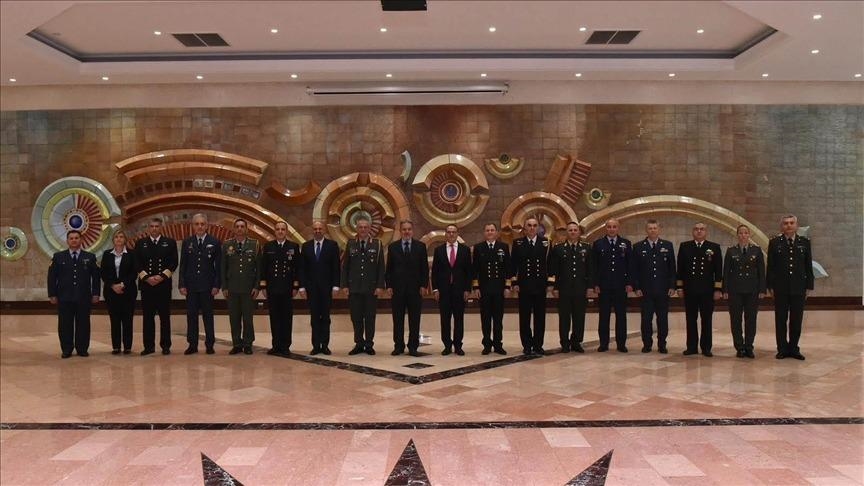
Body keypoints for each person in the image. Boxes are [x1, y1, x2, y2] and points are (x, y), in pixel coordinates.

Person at [766, 214, 813, 360]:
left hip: (799, 287)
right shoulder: (774, 242)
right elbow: (771, 266)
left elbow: (808, 265)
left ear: (796, 226)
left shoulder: (804, 242)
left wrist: (809, 286)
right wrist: (770, 286)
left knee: (796, 320)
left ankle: (794, 348)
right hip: (780, 288)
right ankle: (782, 349)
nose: (789, 225)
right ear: (782, 226)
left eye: (792, 223)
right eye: (786, 223)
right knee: (780, 319)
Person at [48, 230, 100, 358]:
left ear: (81, 240)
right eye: (71, 238)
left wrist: (96, 293)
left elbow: (96, 277)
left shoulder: (90, 257)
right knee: (65, 324)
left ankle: (82, 348)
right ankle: (67, 349)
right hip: (64, 297)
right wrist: (52, 294)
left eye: (76, 238)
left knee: (83, 324)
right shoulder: (58, 257)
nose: (74, 240)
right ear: (67, 241)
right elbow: (51, 277)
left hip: (84, 297)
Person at [676, 222, 723, 357]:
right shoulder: (685, 246)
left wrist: (717, 289)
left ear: (706, 232)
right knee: (690, 319)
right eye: (696, 229)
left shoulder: (714, 247)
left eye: (702, 229)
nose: (699, 231)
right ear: (693, 232)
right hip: (690, 289)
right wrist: (679, 287)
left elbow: (718, 270)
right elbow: (680, 269)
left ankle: (706, 347)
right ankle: (691, 347)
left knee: (706, 319)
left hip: (707, 290)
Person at [630, 219, 676, 354]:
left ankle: (662, 344)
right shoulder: (638, 247)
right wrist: (637, 287)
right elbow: (634, 270)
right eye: (650, 228)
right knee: (646, 320)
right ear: (646, 230)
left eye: (655, 228)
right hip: (646, 291)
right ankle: (647, 344)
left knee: (662, 319)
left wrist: (672, 286)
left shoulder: (667, 245)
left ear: (659, 230)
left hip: (663, 290)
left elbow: (672, 268)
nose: (653, 230)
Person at [547, 222, 594, 353]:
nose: (573, 232)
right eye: (570, 230)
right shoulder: (558, 249)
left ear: (579, 232)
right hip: (564, 288)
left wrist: (590, 287)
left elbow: (591, 269)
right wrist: (554, 287)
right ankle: (565, 343)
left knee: (579, 316)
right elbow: (553, 270)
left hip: (580, 288)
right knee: (564, 317)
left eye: (575, 230)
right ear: (566, 232)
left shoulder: (587, 248)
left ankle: (576, 342)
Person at [341, 217, 385, 355]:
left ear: (369, 228)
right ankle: (359, 343)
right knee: (356, 318)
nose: (363, 229)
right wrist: (345, 285)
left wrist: (380, 285)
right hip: (354, 288)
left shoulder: (377, 244)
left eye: (366, 227)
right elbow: (345, 266)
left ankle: (369, 344)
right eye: (360, 227)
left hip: (371, 288)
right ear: (357, 229)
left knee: (370, 318)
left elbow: (381, 267)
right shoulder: (351, 244)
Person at [178, 214, 221, 355]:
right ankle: (192, 344)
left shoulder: (214, 242)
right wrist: (182, 284)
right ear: (193, 226)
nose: (200, 226)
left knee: (208, 316)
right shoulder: (187, 242)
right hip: (191, 286)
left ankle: (210, 344)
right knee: (191, 316)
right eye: (197, 224)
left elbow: (218, 266)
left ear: (207, 225)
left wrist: (216, 285)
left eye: (202, 224)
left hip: (208, 286)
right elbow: (183, 265)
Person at [385, 220, 429, 357]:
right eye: (404, 229)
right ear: (400, 231)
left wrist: (423, 285)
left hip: (415, 290)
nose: (407, 232)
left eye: (409, 229)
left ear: (412, 231)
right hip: (397, 290)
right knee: (398, 320)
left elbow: (424, 268)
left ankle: (413, 346)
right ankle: (398, 346)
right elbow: (389, 269)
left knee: (414, 320)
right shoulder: (393, 247)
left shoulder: (420, 247)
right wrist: (389, 285)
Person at [134, 218, 178, 355]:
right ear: (148, 228)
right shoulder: (141, 243)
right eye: (152, 226)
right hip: (147, 286)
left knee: (165, 317)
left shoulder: (169, 243)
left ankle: (165, 346)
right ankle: (148, 346)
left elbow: (174, 263)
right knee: (148, 317)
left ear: (161, 227)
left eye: (157, 226)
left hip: (163, 285)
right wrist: (147, 278)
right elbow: (137, 263)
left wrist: (161, 276)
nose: (154, 229)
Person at [723, 224, 765, 359]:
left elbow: (761, 272)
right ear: (737, 235)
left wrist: (762, 289)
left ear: (749, 235)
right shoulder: (731, 251)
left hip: (752, 290)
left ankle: (749, 346)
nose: (743, 235)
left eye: (746, 233)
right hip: (735, 290)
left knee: (751, 319)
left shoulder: (756, 250)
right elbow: (726, 272)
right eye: (740, 233)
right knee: (735, 319)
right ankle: (739, 347)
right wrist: (725, 289)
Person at [299, 221, 341, 355]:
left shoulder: (332, 245)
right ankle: (316, 345)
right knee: (314, 318)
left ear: (324, 230)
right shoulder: (306, 246)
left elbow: (336, 267)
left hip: (327, 288)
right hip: (311, 289)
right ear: (313, 230)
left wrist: (336, 286)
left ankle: (325, 345)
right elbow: (302, 269)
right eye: (315, 229)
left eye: (320, 229)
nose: (317, 231)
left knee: (326, 318)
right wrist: (302, 287)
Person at [259, 221, 300, 356]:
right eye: (278, 229)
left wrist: (295, 286)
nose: (280, 231)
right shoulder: (268, 246)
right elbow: (263, 267)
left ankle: (285, 346)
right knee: (274, 317)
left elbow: (297, 268)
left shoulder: (293, 246)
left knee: (286, 318)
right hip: (272, 288)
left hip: (287, 288)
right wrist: (263, 286)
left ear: (286, 231)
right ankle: (276, 345)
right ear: (275, 231)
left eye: (283, 229)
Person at [511, 217, 550, 355]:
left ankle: (538, 345)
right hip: (524, 285)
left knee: (540, 317)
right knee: (524, 317)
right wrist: (514, 282)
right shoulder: (518, 243)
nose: (532, 228)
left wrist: (550, 283)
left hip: (540, 285)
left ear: (538, 227)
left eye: (534, 225)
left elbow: (549, 265)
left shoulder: (545, 243)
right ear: (525, 228)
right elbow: (513, 264)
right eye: (529, 225)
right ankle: (527, 345)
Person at [592, 218, 633, 352]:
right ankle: (604, 344)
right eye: (609, 227)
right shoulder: (598, 244)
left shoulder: (626, 243)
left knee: (621, 316)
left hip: (620, 286)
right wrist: (595, 284)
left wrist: (629, 283)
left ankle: (621, 344)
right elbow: (594, 266)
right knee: (604, 316)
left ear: (618, 228)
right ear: (606, 228)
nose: (612, 229)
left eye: (614, 227)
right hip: (604, 287)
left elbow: (630, 265)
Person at [431, 224, 472, 356]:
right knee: (445, 320)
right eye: (449, 232)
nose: (451, 234)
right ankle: (447, 346)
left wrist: (467, 289)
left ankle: (458, 345)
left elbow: (468, 272)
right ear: (445, 234)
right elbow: (435, 272)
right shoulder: (439, 250)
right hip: (444, 292)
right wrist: (435, 289)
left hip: (460, 291)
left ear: (457, 234)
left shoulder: (465, 250)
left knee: (459, 319)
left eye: (453, 232)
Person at [221, 218, 260, 355]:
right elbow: (223, 267)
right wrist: (224, 287)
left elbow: (258, 268)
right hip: (232, 288)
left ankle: (248, 344)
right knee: (234, 318)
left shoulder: (254, 244)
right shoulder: (227, 244)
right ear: (234, 229)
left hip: (248, 288)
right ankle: (237, 344)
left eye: (242, 226)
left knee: (248, 318)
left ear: (246, 229)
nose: (239, 229)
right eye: (237, 226)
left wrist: (257, 286)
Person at [471, 223, 511, 355]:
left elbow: (508, 268)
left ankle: (498, 344)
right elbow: (475, 269)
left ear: (496, 233)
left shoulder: (503, 247)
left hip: (499, 289)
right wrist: (476, 287)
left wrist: (507, 286)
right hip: (484, 289)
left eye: (492, 230)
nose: (490, 232)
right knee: (486, 318)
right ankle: (487, 344)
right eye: (487, 230)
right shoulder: (479, 248)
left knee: (498, 319)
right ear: (484, 233)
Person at [100, 229, 137, 355]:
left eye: (121, 236)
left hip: (128, 291)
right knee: (114, 320)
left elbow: (134, 273)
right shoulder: (107, 254)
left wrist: (122, 284)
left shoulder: (132, 254)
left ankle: (127, 346)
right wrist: (112, 285)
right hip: (111, 292)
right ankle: (116, 346)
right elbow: (103, 273)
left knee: (127, 320)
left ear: (125, 239)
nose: (119, 239)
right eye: (116, 237)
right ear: (113, 240)